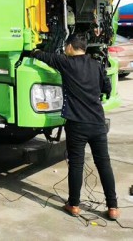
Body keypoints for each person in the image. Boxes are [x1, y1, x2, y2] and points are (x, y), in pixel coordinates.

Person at [31, 33, 120, 220]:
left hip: (77, 125)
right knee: (104, 163)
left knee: (76, 165)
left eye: (65, 46)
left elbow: (45, 57)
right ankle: (113, 207)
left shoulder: (66, 62)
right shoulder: (96, 66)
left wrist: (33, 51)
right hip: (97, 123)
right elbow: (107, 89)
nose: (64, 49)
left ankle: (74, 205)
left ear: (70, 47)